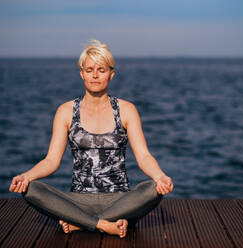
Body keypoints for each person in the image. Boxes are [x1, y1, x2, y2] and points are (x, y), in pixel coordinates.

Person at [9, 39, 174, 238]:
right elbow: (51, 161)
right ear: (82, 74)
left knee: (152, 190)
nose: (95, 75)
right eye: (89, 70)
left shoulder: (126, 110)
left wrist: (159, 177)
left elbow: (144, 156)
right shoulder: (66, 111)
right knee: (31, 189)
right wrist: (26, 176)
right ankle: (105, 225)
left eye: (101, 70)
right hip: (78, 199)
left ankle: (82, 223)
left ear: (111, 74)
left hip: (120, 200)